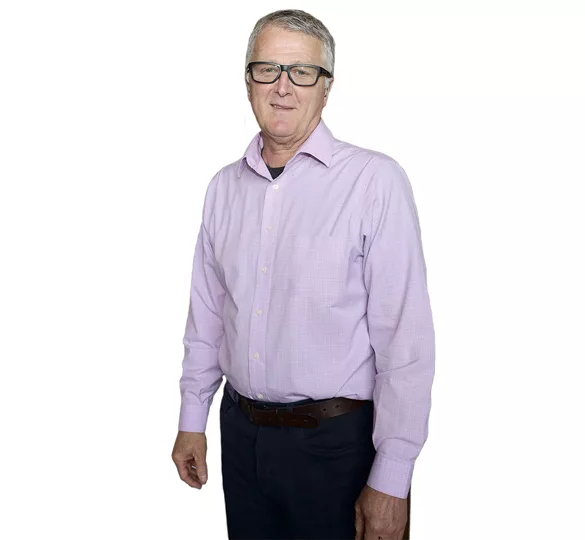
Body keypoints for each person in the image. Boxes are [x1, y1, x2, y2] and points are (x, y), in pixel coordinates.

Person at [171, 9, 435, 540]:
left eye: (302, 71)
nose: (283, 86)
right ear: (248, 80)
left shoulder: (374, 182)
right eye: (267, 69)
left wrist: (393, 477)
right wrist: (191, 419)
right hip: (241, 438)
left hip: (336, 447)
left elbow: (405, 342)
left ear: (327, 86)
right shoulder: (223, 189)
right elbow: (208, 318)